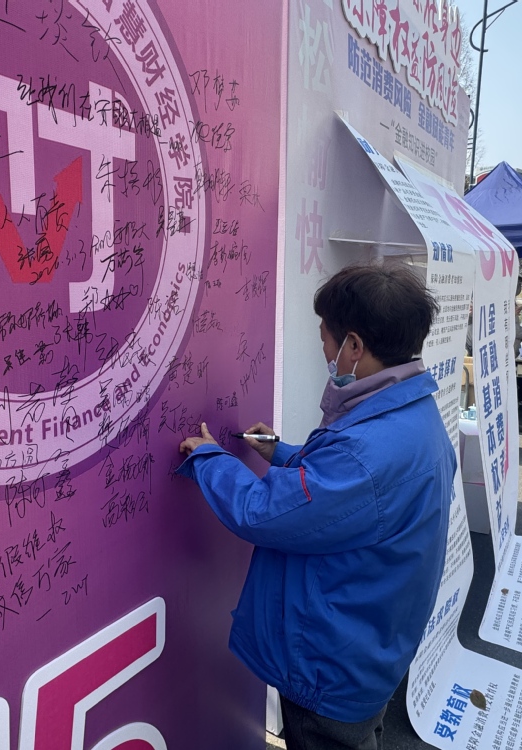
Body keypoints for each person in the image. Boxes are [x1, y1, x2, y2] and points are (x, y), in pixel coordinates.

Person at [177, 264, 453, 750]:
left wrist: (209, 458)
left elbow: (263, 511)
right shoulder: (412, 413)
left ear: (354, 345)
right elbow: (345, 494)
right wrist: (280, 452)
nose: (323, 350)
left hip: (331, 663)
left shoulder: (365, 453)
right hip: (371, 641)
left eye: (325, 338)